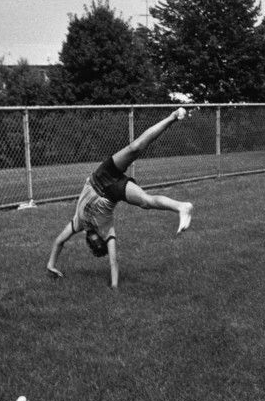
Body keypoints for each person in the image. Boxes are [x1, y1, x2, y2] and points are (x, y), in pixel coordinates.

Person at [46, 107, 194, 289]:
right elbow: (113, 262)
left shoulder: (79, 223)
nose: (95, 241)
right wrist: (114, 287)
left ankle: (172, 117)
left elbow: (59, 241)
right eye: (98, 243)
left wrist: (51, 264)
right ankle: (181, 207)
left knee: (135, 147)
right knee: (146, 202)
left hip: (100, 176)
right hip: (113, 191)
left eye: (93, 243)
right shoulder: (107, 232)